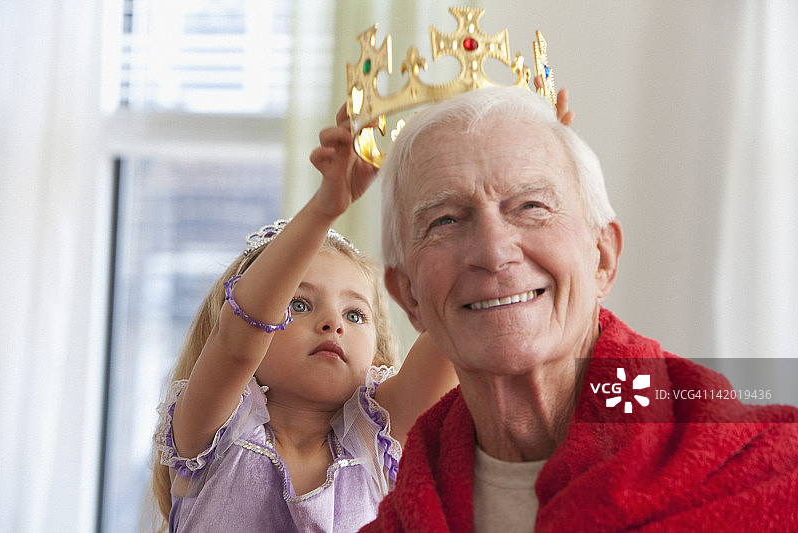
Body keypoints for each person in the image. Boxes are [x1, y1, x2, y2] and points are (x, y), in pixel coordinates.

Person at [361, 86, 798, 532]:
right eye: (446, 221)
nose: (493, 252)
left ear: (603, 257)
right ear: (407, 295)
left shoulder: (776, 473)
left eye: (531, 206)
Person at [150, 104, 459, 533]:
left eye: (355, 313)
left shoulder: (379, 440)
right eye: (299, 304)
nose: (334, 323)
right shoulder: (212, 430)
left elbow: (456, 322)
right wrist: (324, 208)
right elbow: (237, 338)